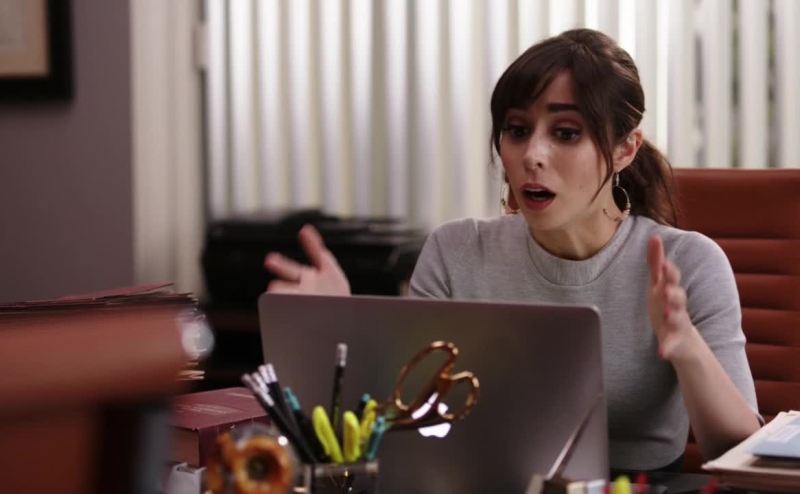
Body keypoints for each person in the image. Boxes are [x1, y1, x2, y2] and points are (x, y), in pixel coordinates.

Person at [262, 29, 761, 473]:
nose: (532, 155)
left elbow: (740, 453)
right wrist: (339, 325)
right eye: (517, 131)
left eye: (566, 133)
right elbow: (404, 426)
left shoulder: (689, 264)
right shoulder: (456, 252)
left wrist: (686, 346)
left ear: (625, 149)